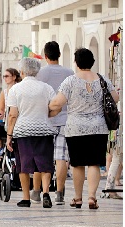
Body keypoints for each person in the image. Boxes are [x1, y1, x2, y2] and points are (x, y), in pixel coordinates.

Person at [49, 48, 119, 209]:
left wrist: (49, 107)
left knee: (78, 164)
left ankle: (78, 198)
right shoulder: (102, 80)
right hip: (99, 127)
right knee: (94, 163)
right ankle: (92, 197)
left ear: (76, 63)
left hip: (76, 128)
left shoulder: (71, 81)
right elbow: (114, 98)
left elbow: (56, 103)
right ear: (92, 62)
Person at [27, 41, 75, 205]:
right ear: (59, 54)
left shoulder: (40, 73)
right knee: (61, 157)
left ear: (45, 56)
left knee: (40, 155)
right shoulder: (69, 72)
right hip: (65, 119)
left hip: (43, 119)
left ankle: (37, 191)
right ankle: (60, 192)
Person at [6, 57, 58, 208]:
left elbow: (12, 115)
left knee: (23, 165)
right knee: (45, 163)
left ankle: (26, 198)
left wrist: (9, 135)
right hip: (44, 130)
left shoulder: (15, 89)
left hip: (23, 132)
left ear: (22, 72)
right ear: (37, 71)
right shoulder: (46, 88)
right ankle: (46, 192)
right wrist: (46, 115)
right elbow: (56, 107)